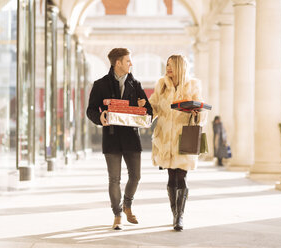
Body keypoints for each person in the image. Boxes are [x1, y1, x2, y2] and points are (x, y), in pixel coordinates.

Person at [86, 48, 153, 230]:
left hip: (132, 137)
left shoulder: (136, 84)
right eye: (128, 61)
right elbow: (90, 110)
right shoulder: (100, 85)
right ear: (118, 63)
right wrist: (99, 118)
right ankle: (117, 214)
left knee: (136, 176)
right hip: (112, 137)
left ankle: (127, 204)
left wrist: (144, 108)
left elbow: (149, 113)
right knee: (114, 179)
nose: (131, 64)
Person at [149, 55, 207, 231]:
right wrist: (143, 108)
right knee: (171, 176)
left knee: (181, 176)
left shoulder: (193, 85)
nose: (168, 68)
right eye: (167, 65)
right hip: (165, 138)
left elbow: (202, 112)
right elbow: (154, 108)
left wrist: (197, 111)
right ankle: (174, 213)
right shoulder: (161, 85)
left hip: (184, 138)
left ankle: (179, 216)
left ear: (180, 67)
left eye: (172, 65)